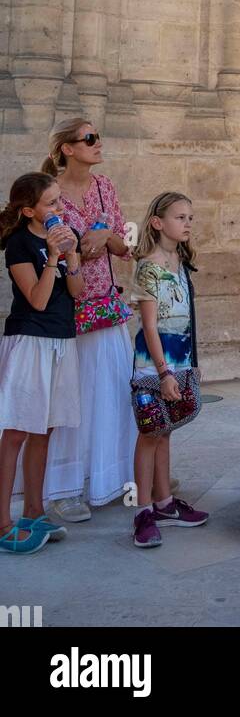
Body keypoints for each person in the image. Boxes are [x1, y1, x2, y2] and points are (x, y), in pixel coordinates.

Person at [20, 118, 138, 523]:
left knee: (111, 394)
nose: (98, 143)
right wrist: (87, 245)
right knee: (73, 402)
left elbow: (123, 246)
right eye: (89, 138)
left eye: (98, 136)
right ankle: (65, 487)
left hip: (107, 304)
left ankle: (116, 473)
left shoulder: (106, 188)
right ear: (68, 148)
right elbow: (64, 248)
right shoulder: (51, 194)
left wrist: (105, 238)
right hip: (67, 307)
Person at [0, 172, 83, 553]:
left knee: (44, 430)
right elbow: (36, 298)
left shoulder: (68, 237)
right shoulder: (18, 244)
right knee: (16, 430)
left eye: (60, 201)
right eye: (51, 204)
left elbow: (76, 292)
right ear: (30, 210)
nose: (59, 209)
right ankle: (3, 523)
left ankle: (34, 510)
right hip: (30, 341)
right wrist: (52, 256)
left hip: (61, 340)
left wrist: (72, 256)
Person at [128, 191, 208, 548]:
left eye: (190, 217)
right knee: (149, 434)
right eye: (180, 217)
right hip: (153, 367)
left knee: (166, 431)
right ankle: (142, 511)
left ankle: (164, 503)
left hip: (180, 361)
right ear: (158, 223)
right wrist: (163, 373)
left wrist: (192, 365)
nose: (187, 223)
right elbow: (148, 327)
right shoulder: (149, 267)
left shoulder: (181, 262)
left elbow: (188, 317)